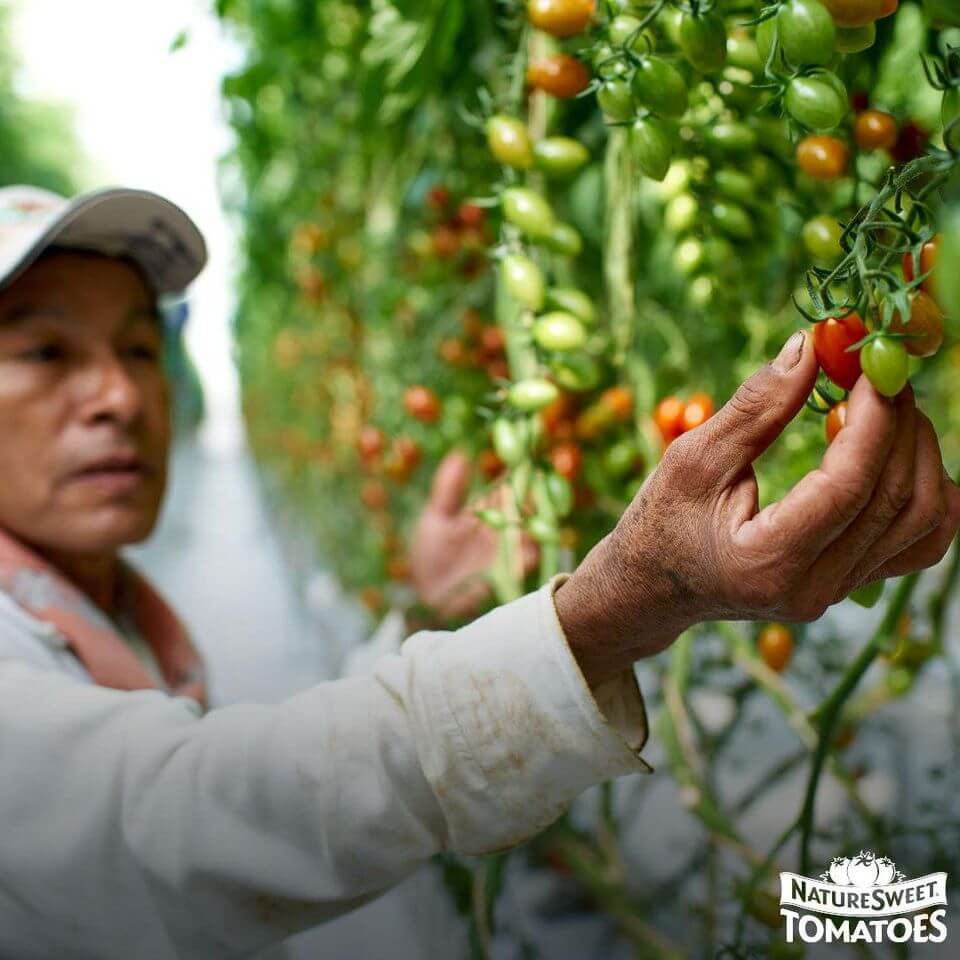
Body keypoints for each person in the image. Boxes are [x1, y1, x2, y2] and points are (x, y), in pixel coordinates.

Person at [0, 184, 957, 960]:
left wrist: (422, 609)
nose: (119, 396)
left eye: (137, 346)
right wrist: (605, 614)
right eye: (44, 351)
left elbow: (254, 771)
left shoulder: (107, 612)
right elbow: (184, 825)